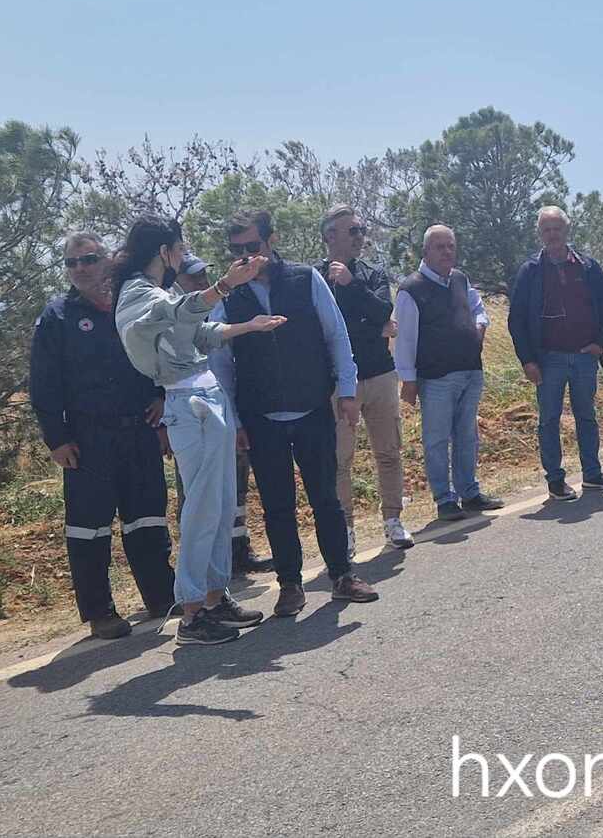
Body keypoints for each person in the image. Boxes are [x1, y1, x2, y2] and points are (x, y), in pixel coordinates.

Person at [114, 214, 281, 647]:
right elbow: (174, 312)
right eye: (180, 247)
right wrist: (223, 286)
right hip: (187, 405)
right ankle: (190, 613)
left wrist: (249, 326)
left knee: (221, 505)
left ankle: (214, 596)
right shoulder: (137, 294)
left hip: (208, 397)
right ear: (163, 250)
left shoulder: (165, 292)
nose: (184, 254)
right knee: (202, 507)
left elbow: (200, 332)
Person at [210, 210, 380, 619]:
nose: (245, 257)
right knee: (277, 506)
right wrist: (234, 421)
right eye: (236, 250)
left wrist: (347, 391)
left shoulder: (306, 279)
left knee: (326, 498)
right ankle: (290, 584)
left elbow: (336, 335)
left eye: (253, 246)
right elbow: (221, 363)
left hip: (312, 408)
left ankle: (342, 575)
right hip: (260, 417)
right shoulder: (228, 296)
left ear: (271, 241)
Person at [29, 231, 176, 640]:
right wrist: (56, 439)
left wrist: (162, 401)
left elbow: (161, 355)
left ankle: (162, 597)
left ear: (108, 260)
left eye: (89, 259)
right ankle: (100, 612)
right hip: (87, 440)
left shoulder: (132, 302)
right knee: (88, 528)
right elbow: (43, 383)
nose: (80, 268)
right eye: (72, 262)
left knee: (147, 518)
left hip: (140, 430)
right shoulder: (58, 316)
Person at [507, 205, 603, 501]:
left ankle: (592, 474)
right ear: (539, 234)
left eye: (557, 228)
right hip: (548, 359)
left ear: (566, 230)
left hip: (585, 356)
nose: (552, 234)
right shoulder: (530, 271)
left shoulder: (587, 266)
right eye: (546, 230)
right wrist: (527, 360)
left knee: (587, 416)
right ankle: (556, 481)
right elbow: (516, 319)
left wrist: (601, 344)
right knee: (549, 420)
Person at [316, 204, 413, 552]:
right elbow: (323, 330)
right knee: (340, 460)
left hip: (381, 374)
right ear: (330, 236)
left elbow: (384, 310)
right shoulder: (313, 278)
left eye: (362, 230)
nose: (360, 237)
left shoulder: (372, 273)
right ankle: (346, 531)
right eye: (353, 230)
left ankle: (393, 521)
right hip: (340, 383)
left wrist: (351, 284)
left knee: (389, 451)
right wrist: (375, 327)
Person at [395, 225, 505, 521]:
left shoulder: (459, 279)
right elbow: (405, 339)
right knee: (436, 440)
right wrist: (408, 380)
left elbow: (477, 307)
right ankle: (444, 500)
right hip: (436, 378)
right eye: (439, 247)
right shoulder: (411, 289)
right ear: (425, 251)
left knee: (467, 436)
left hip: (471, 371)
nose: (446, 252)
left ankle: (469, 493)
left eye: (450, 246)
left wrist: (480, 324)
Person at [173, 253, 273, 574]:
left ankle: (238, 551)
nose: (201, 281)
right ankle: (202, 565)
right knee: (198, 492)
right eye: (193, 277)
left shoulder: (220, 307)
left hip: (228, 408)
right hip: (193, 416)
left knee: (235, 487)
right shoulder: (173, 314)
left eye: (204, 275)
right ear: (176, 280)